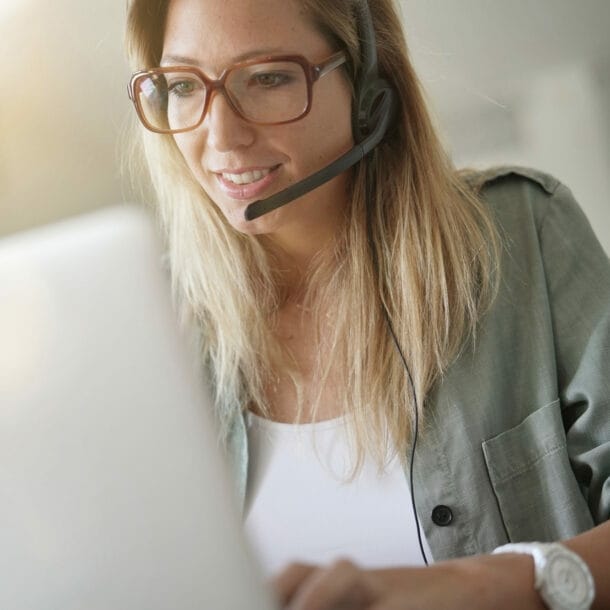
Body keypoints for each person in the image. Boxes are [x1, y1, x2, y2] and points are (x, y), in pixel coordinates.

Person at [125, 0, 610, 608]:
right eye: (180, 86)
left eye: (270, 77)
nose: (221, 136)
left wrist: (490, 582)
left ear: (369, 86)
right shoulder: (152, 332)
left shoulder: (522, 235)